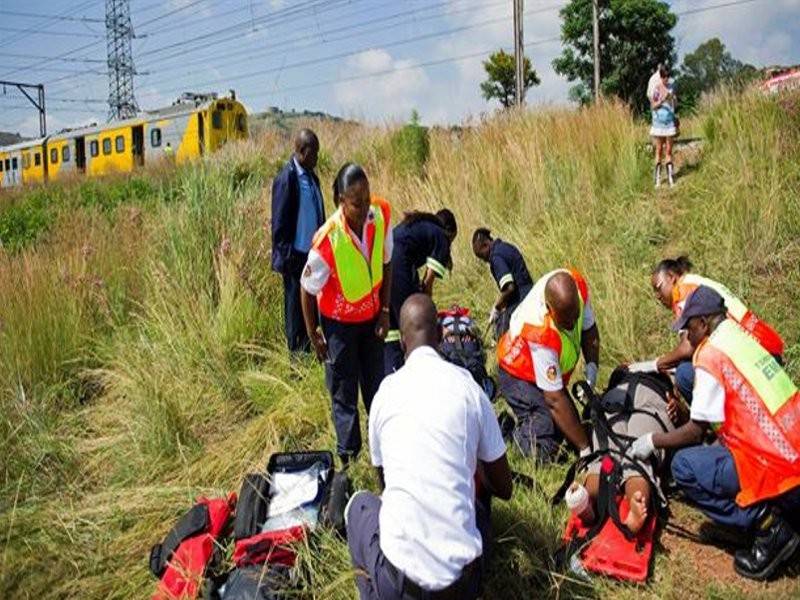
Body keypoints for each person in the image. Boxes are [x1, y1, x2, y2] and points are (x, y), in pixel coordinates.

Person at [346, 294, 513, 600]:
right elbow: (505, 487)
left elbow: (385, 485)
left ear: (401, 344)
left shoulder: (384, 395)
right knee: (477, 505)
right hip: (463, 587)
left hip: (400, 586)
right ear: (439, 336)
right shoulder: (469, 389)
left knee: (358, 506)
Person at [629, 286, 800, 580]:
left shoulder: (709, 356)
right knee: (685, 378)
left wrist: (651, 440)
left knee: (684, 466)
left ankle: (769, 526)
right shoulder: (739, 336)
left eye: (689, 330)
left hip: (774, 465)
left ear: (703, 324)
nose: (687, 338)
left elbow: (695, 432)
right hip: (791, 444)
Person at [300, 163, 392, 465]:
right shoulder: (328, 239)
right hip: (339, 328)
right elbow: (307, 287)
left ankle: (384, 451)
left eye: (367, 198)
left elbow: (387, 263)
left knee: (377, 389)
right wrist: (314, 333)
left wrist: (385, 311)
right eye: (356, 202)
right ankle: (349, 459)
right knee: (344, 392)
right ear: (341, 199)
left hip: (372, 321)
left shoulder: (379, 216)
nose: (364, 207)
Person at [638, 256, 785, 403]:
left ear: (671, 277)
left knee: (684, 374)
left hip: (753, 361)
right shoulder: (693, 281)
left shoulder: (682, 292)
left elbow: (687, 348)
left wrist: (653, 365)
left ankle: (713, 423)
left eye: (658, 287)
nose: (657, 296)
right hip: (766, 351)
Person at [496, 269, 598, 461]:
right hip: (516, 373)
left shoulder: (576, 289)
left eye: (575, 316)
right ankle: (507, 435)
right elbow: (554, 400)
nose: (572, 323)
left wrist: (592, 368)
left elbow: (589, 329)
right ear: (550, 309)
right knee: (545, 445)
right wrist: (585, 450)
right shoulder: (540, 331)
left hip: (540, 373)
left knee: (570, 426)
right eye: (566, 320)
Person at [577, 372, 682, 534]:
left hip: (639, 398)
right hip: (645, 399)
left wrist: (678, 406)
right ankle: (636, 496)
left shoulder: (664, 372)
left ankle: (587, 497)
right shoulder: (667, 371)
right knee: (627, 456)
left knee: (609, 457)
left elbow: (688, 413)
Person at [271, 129, 325, 353]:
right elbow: (279, 226)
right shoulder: (287, 179)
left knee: (312, 310)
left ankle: (312, 353)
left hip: (313, 256)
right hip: (295, 258)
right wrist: (290, 260)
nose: (317, 158)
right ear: (302, 151)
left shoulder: (312, 178)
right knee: (295, 314)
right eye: (314, 153)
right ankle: (297, 365)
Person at [384, 209, 457, 374]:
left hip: (384, 264)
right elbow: (427, 285)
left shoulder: (419, 225)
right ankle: (419, 372)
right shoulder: (441, 235)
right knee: (413, 321)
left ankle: (392, 370)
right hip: (399, 266)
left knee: (393, 326)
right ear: (450, 231)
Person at [471, 228, 534, 338]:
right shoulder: (506, 247)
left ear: (486, 245)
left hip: (521, 300)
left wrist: (497, 307)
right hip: (531, 293)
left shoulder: (496, 258)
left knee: (501, 336)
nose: (484, 260)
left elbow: (510, 287)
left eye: (482, 256)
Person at [647, 64, 678, 188]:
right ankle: (658, 179)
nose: (666, 79)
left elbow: (675, 104)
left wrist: (673, 99)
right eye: (664, 77)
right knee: (659, 150)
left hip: (669, 122)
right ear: (661, 77)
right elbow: (653, 106)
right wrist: (663, 100)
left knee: (669, 150)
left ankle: (671, 179)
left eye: (668, 77)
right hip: (659, 123)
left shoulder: (671, 87)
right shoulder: (657, 88)